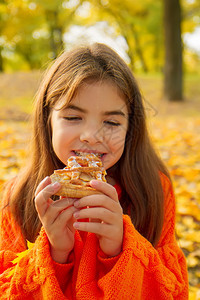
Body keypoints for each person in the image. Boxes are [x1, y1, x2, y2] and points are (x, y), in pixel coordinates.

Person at [0, 43, 188, 299]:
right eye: (73, 117)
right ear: (48, 120)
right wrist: (55, 252)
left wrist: (119, 249)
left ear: (130, 129)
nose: (90, 136)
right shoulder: (17, 196)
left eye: (111, 122)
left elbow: (174, 292)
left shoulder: (153, 190)